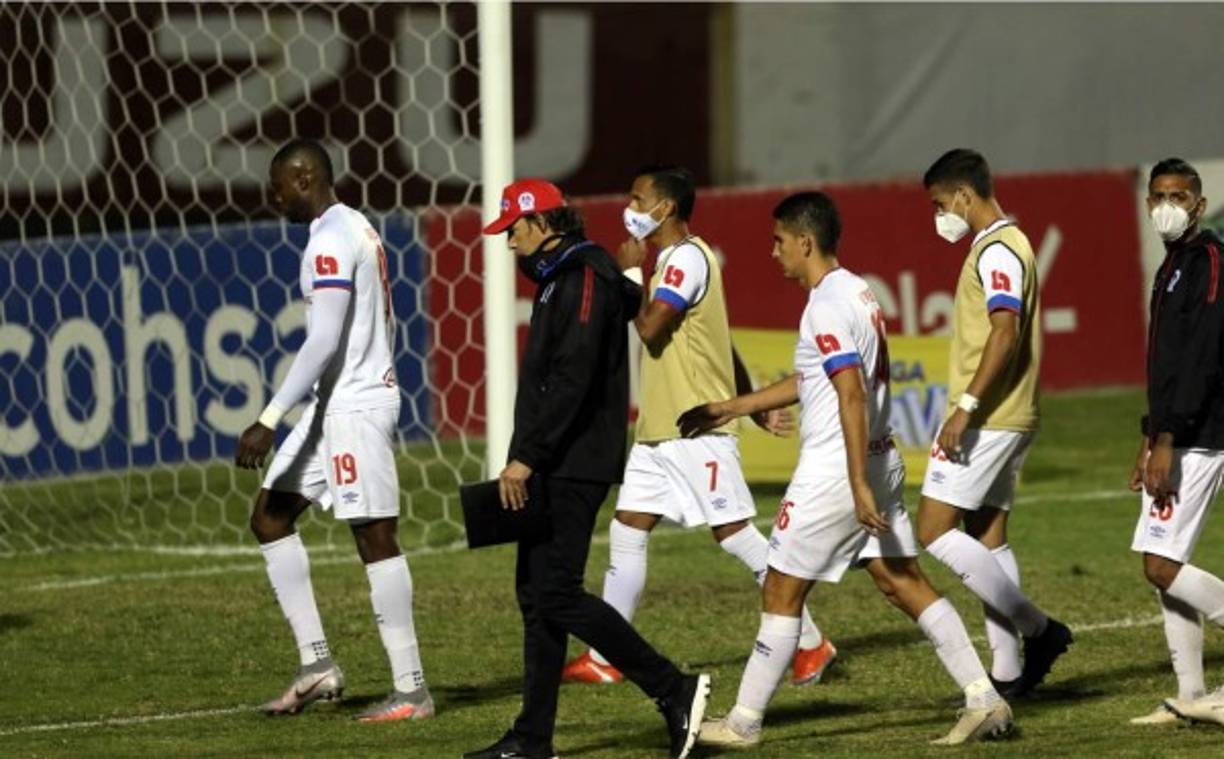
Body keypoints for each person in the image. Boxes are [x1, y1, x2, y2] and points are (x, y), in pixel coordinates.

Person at [687, 192, 1012, 748]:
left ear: (804, 242)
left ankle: (743, 723)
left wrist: (855, 480)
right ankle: (984, 699)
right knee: (901, 579)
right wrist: (733, 407)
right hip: (877, 459)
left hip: (839, 471)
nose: (773, 253)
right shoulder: (856, 291)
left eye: (778, 241)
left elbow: (850, 393)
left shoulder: (826, 306)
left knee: (782, 589)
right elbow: (818, 379)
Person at [562, 165, 836, 688]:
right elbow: (720, 343)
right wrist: (750, 402)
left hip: (695, 428)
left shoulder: (685, 260)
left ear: (665, 209)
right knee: (627, 529)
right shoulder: (674, 260)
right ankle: (606, 657)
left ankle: (811, 642)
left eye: (638, 198)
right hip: (659, 429)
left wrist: (627, 275)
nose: (631, 206)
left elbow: (649, 327)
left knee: (734, 535)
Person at [464, 178, 709, 759]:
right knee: (536, 594)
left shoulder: (578, 276)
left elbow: (572, 377)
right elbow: (615, 315)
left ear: (542, 223)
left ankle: (674, 688)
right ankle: (533, 738)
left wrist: (527, 457)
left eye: (513, 230)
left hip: (571, 463)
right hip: (557, 459)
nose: (507, 242)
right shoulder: (571, 276)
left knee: (556, 592)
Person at [235, 139, 432, 722]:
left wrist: (269, 419)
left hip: (355, 409)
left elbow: (323, 340)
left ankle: (412, 689)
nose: (274, 200)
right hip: (331, 410)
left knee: (375, 538)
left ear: (303, 178)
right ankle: (317, 664)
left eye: (278, 187)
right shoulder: (355, 227)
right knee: (269, 516)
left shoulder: (328, 241)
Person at [915, 148, 1071, 697]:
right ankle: (1007, 674)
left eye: (940, 204)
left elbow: (1004, 332)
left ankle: (1039, 630)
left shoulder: (997, 250)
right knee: (987, 534)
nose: (939, 216)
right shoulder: (1015, 242)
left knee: (931, 531)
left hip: (991, 416)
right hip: (1013, 412)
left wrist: (967, 408)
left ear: (964, 195)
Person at [1127, 158, 1224, 726]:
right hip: (1172, 433)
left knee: (1161, 565)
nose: (1168, 204)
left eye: (1180, 195)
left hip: (1201, 434)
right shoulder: (1171, 269)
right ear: (1147, 205)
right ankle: (1191, 695)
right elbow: (1164, 367)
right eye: (1159, 194)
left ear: (1199, 205)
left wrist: (1168, 437)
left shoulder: (1209, 261)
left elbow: (1202, 360)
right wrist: (1147, 437)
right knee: (1168, 563)